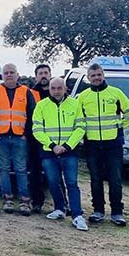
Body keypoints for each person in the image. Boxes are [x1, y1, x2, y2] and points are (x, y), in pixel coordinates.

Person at [78, 63, 129, 226]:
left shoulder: (116, 93)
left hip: (113, 144)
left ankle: (117, 212)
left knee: (115, 179)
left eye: (99, 75)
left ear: (103, 75)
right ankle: (98, 211)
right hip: (92, 144)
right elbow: (79, 119)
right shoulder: (82, 97)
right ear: (88, 78)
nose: (96, 78)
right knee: (95, 178)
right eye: (93, 75)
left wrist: (119, 127)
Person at [32, 77, 88, 231]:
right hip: (49, 151)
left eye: (59, 88)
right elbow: (37, 129)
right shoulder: (41, 106)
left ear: (65, 89)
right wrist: (52, 145)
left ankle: (77, 215)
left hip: (69, 152)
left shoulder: (75, 104)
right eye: (53, 88)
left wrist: (67, 146)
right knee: (53, 182)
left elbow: (81, 127)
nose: (56, 91)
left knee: (71, 183)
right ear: (49, 89)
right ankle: (59, 209)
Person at [0, 63, 36, 215]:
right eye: (6, 73)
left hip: (19, 137)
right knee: (3, 169)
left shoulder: (26, 92)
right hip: (0, 136)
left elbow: (32, 115)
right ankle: (7, 199)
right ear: (2, 76)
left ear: (17, 75)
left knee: (21, 169)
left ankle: (25, 201)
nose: (9, 75)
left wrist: (26, 134)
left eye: (12, 72)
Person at [28, 63, 52, 214]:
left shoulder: (57, 91)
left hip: (54, 139)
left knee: (55, 172)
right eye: (40, 73)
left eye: (46, 73)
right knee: (35, 172)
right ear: (36, 76)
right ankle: (36, 202)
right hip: (34, 138)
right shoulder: (30, 94)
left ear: (50, 74)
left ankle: (62, 203)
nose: (43, 76)